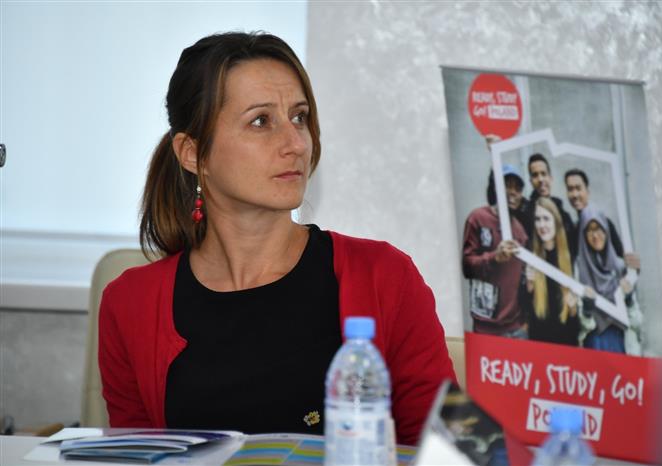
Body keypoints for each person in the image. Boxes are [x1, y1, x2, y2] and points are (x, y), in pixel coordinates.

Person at [97, 31, 455, 446]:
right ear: (193, 153)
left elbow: (449, 449)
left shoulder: (385, 277)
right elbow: (134, 455)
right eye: (261, 121)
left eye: (299, 117)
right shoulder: (129, 304)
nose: (296, 143)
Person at [462, 165, 529, 338]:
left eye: (518, 188)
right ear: (496, 187)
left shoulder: (520, 232)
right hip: (486, 328)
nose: (513, 192)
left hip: (517, 328)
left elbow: (521, 279)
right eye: (507, 185)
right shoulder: (478, 218)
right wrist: (494, 258)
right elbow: (467, 266)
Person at [576, 206, 642, 354]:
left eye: (599, 228)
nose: (595, 235)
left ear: (606, 230)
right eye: (589, 230)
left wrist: (629, 300)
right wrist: (587, 311)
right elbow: (580, 326)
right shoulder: (579, 270)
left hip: (623, 343)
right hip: (594, 345)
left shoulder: (622, 268)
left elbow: (637, 323)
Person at [523, 197, 580, 346]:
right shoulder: (530, 257)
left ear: (556, 221)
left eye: (546, 218)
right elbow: (526, 312)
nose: (542, 225)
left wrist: (573, 308)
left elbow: (576, 323)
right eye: (538, 219)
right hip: (540, 343)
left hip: (567, 342)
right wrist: (529, 287)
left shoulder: (570, 256)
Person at [564, 168, 641, 270]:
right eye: (570, 189)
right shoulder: (574, 229)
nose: (575, 195)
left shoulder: (604, 223)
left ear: (587, 191)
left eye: (578, 188)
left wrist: (633, 266)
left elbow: (623, 259)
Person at [525, 154, 575, 257]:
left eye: (543, 174)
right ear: (531, 181)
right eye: (535, 175)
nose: (540, 179)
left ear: (550, 178)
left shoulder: (563, 214)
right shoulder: (525, 213)